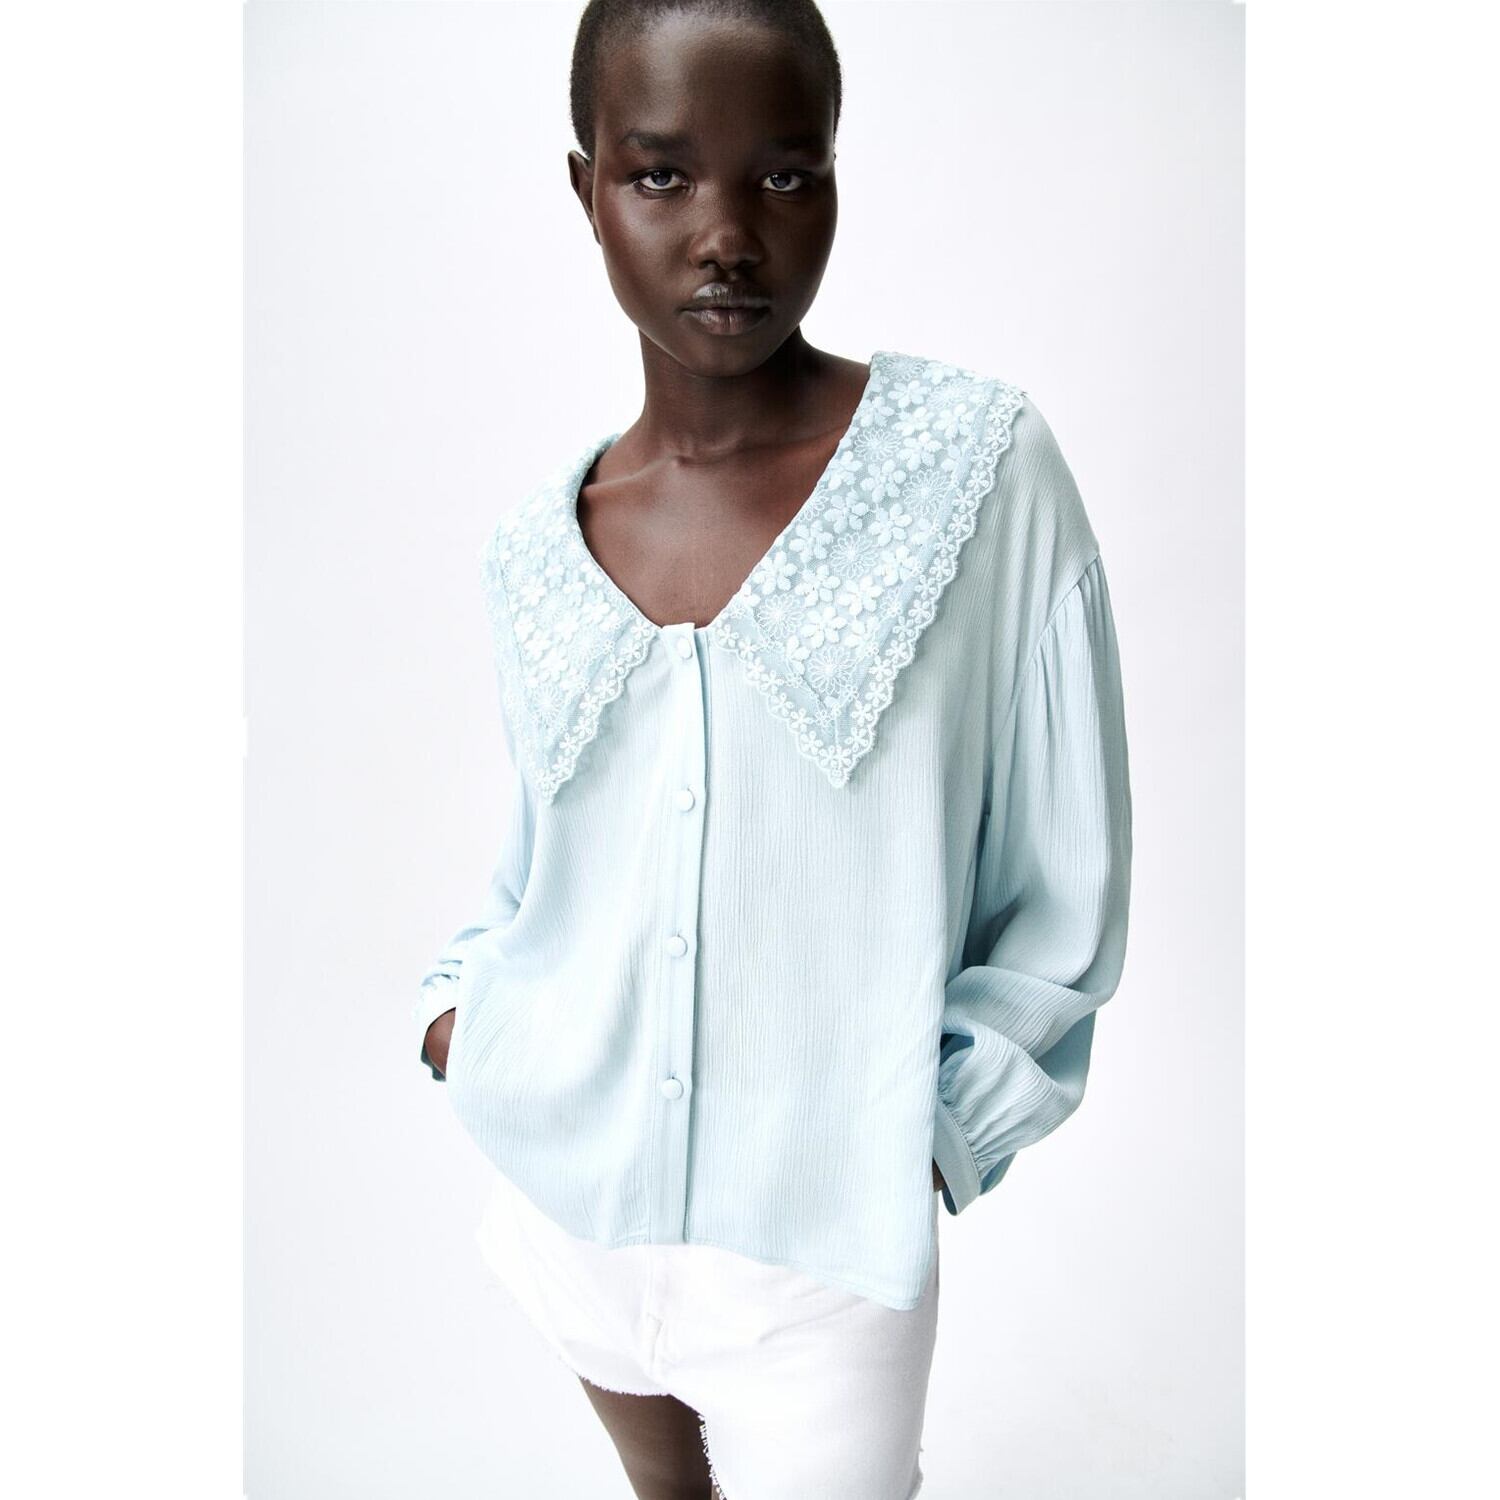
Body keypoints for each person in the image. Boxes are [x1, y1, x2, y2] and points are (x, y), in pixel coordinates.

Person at [414, 2, 1133, 1496]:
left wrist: (935, 1137)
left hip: (827, 1267)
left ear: (836, 175)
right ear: (587, 189)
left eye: (786, 175)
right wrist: (460, 1020)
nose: (726, 237)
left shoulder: (981, 471)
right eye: (661, 175)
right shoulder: (535, 548)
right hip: (569, 1220)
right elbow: (542, 872)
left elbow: (1065, 890)